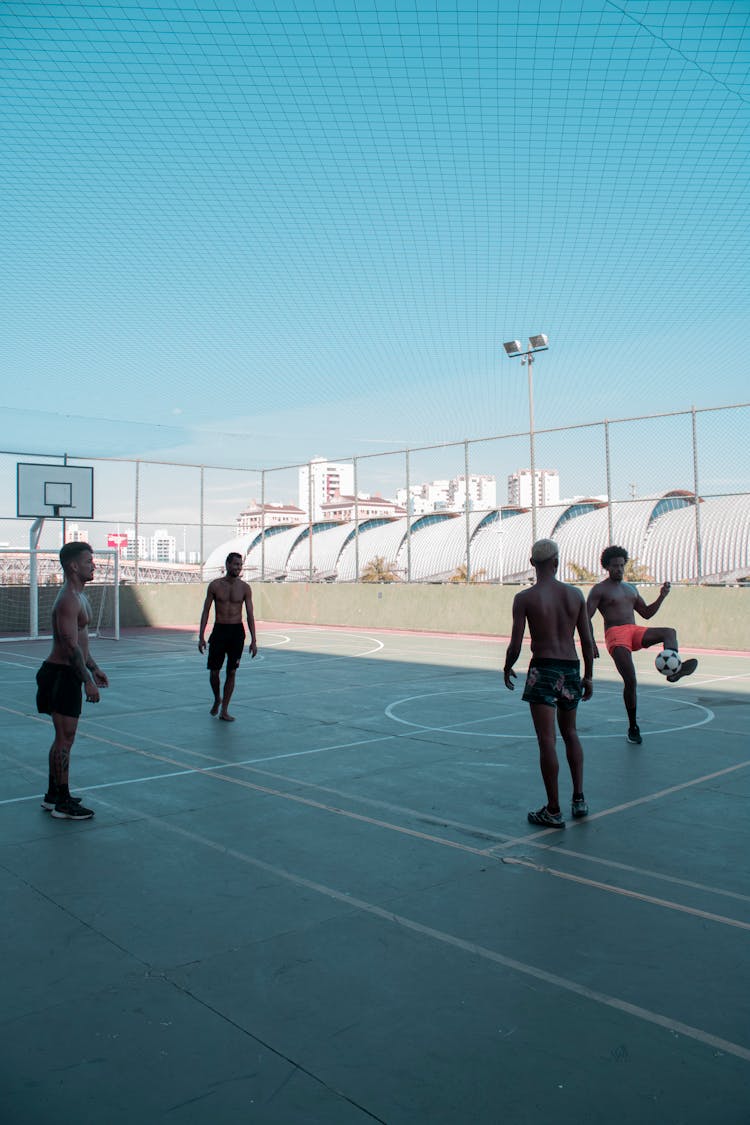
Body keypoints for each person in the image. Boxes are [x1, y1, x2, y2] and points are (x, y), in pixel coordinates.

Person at [503, 538, 594, 829]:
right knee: (571, 733)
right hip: (570, 667)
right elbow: (588, 641)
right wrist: (588, 675)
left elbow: (516, 643)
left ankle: (553, 810)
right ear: (556, 561)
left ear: (532, 564)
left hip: (543, 668)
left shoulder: (525, 598)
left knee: (547, 740)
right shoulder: (575, 595)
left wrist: (507, 666)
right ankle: (578, 798)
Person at [586, 545, 698, 745]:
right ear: (606, 567)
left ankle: (674, 671)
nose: (619, 569)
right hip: (615, 635)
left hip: (634, 630)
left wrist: (662, 596)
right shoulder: (599, 590)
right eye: (615, 566)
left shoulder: (631, 589)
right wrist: (591, 642)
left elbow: (646, 613)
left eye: (622, 565)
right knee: (631, 681)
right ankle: (633, 726)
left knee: (669, 632)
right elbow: (586, 618)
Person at [36, 541, 109, 820]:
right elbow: (68, 645)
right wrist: (86, 680)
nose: (94, 565)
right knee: (65, 739)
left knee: (62, 738)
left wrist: (95, 668)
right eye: (89, 561)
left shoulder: (80, 597)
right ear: (73, 566)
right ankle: (63, 803)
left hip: (68, 673)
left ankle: (54, 794)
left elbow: (80, 644)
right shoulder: (68, 599)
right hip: (60, 675)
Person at [198, 552, 257, 721]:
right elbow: (206, 611)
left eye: (240, 565)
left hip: (237, 632)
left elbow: (250, 615)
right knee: (214, 672)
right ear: (227, 565)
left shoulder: (245, 588)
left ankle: (224, 709)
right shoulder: (215, 586)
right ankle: (217, 698)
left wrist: (254, 640)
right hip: (219, 631)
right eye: (235, 564)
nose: (238, 568)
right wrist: (201, 635)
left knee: (232, 672)